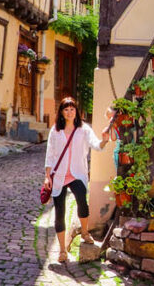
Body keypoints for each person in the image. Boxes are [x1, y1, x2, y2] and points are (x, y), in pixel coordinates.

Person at [43, 97, 111, 263]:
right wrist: (47, 177)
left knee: (82, 201)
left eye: (72, 109)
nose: (69, 112)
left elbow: (96, 145)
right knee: (60, 212)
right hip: (59, 176)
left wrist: (104, 140)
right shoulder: (55, 131)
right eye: (66, 109)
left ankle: (85, 232)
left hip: (77, 174)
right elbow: (50, 155)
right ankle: (61, 250)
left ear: (76, 111)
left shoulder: (83, 129)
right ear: (61, 112)